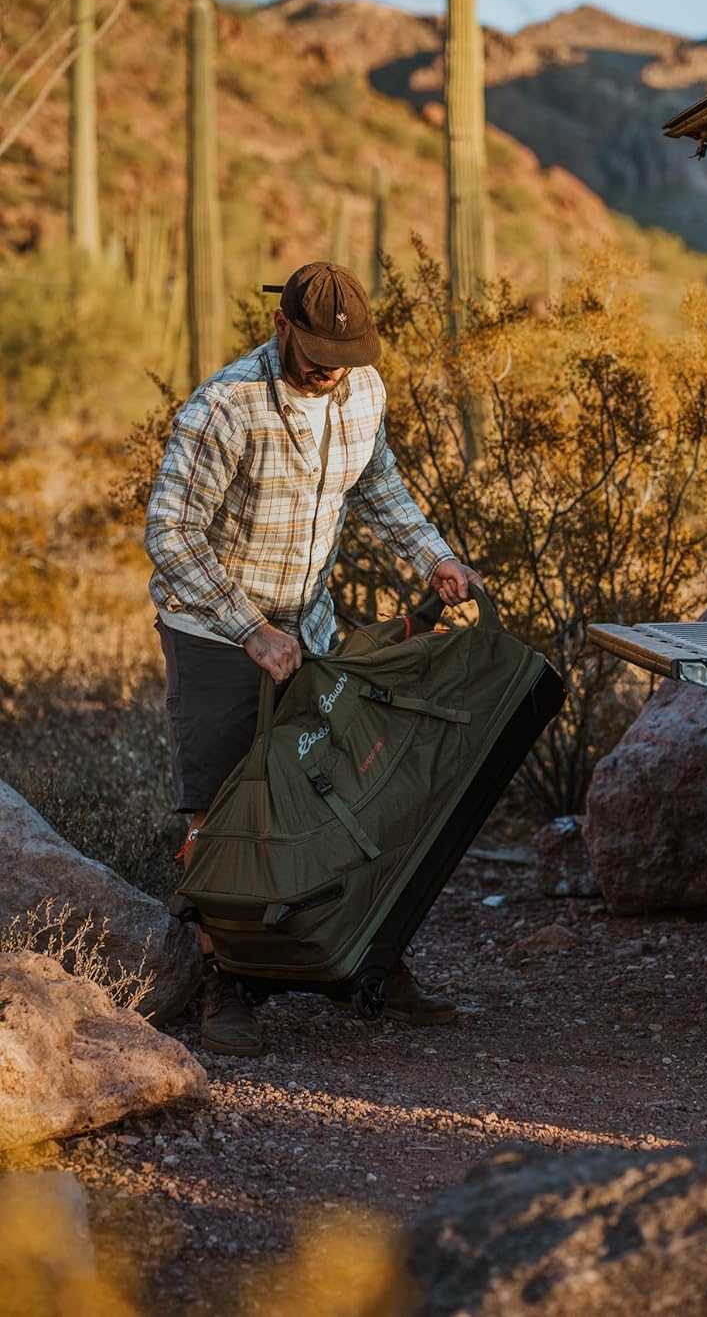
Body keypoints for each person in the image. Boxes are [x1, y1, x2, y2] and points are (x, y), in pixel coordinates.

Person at [145, 261, 482, 1056]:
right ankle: (226, 984)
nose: (334, 363)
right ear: (281, 327)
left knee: (341, 797)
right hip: (215, 629)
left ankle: (360, 962)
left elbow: (378, 485)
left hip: (313, 626)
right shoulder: (226, 405)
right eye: (320, 346)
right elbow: (169, 533)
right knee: (224, 812)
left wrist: (432, 555)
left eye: (349, 349)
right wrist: (247, 628)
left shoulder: (362, 389)